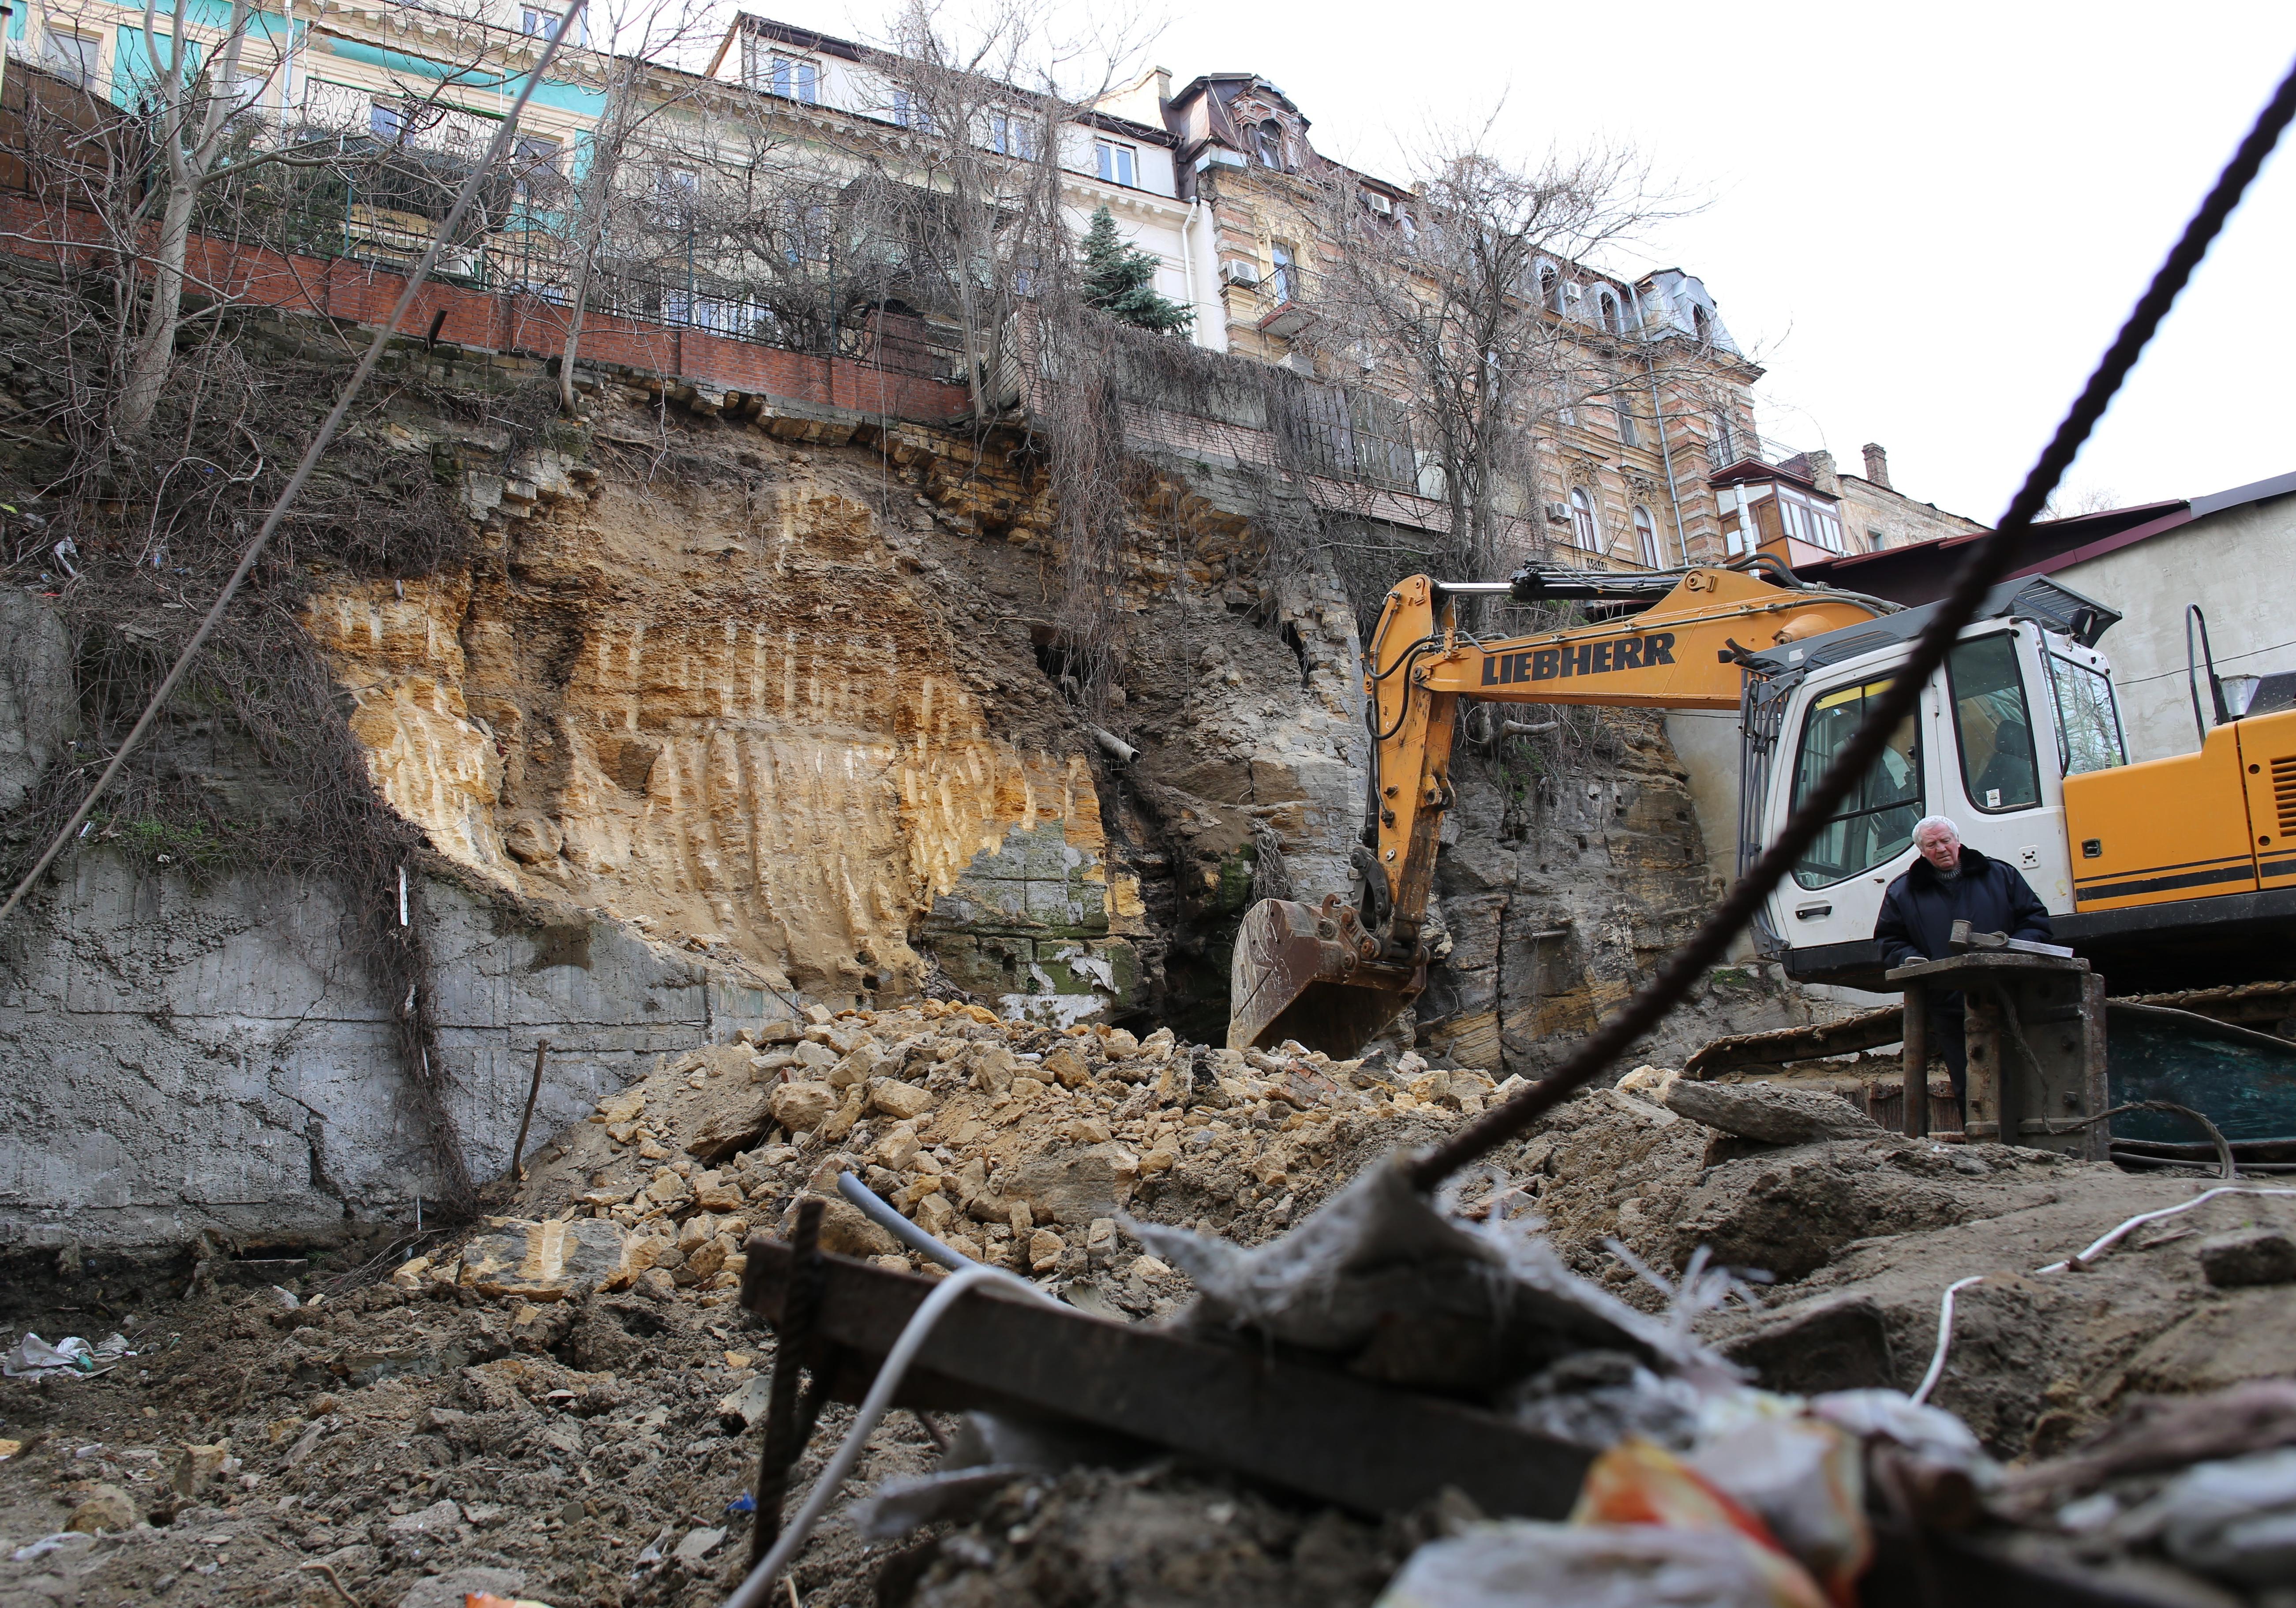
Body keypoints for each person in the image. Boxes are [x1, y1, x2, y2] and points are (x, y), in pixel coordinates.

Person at [1873, 815, 2053, 1115]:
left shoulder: (2000, 875)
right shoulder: (1902, 892)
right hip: (1949, 1003)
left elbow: (2035, 921)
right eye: (1931, 844)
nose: (1941, 849)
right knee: (1966, 1081)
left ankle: (2027, 1142)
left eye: (1945, 841)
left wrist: (2009, 952)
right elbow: (1888, 940)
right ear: (1921, 851)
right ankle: (1978, 1143)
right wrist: (1912, 960)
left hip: (2008, 994)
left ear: (1958, 842)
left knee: (2020, 1074)